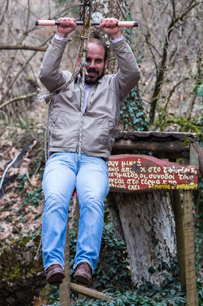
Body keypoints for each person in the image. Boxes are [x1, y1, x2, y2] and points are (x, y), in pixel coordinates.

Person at [39, 17, 141, 286]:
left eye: (98, 61)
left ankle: (85, 264)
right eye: (88, 60)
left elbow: (132, 73)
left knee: (93, 200)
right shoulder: (62, 82)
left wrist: (117, 36)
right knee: (55, 198)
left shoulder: (114, 87)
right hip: (61, 156)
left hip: (94, 160)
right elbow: (45, 74)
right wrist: (61, 35)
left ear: (106, 63)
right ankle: (53, 264)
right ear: (79, 60)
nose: (93, 66)